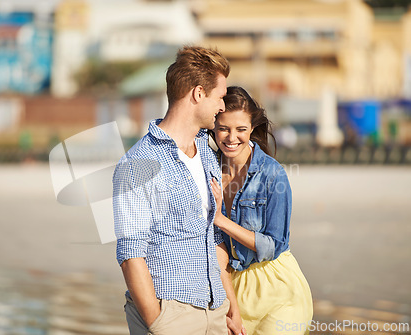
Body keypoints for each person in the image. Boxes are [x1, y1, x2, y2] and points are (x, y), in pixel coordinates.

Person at [113, 46, 245, 335]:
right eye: (220, 97)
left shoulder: (208, 154)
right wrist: (158, 323)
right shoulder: (137, 163)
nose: (223, 107)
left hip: (216, 311)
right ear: (198, 94)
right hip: (171, 314)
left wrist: (229, 305)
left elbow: (213, 236)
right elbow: (130, 254)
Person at [210, 86, 313, 335]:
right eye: (223, 128)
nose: (231, 137)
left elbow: (273, 244)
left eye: (241, 129)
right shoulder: (208, 168)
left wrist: (221, 220)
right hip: (232, 285)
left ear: (252, 129)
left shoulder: (272, 174)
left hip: (277, 286)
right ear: (213, 127)